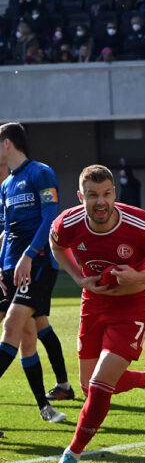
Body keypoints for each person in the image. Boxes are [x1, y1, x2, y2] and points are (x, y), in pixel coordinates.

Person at [48, 164, 145, 463]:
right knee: (89, 386)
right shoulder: (66, 223)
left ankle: (72, 454)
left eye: (107, 194)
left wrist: (139, 276)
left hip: (132, 307)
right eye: (93, 195)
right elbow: (57, 244)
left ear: (114, 193)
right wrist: (78, 278)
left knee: (98, 387)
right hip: (93, 305)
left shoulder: (140, 223)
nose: (101, 202)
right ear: (80, 196)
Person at [0, 123, 69, 423]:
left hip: (38, 264)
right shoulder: (5, 185)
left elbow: (50, 219)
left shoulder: (41, 173)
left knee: (13, 325)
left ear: (7, 144)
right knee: (28, 334)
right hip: (11, 266)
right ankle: (45, 406)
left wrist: (29, 255)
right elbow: (5, 231)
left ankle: (60, 388)